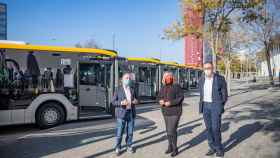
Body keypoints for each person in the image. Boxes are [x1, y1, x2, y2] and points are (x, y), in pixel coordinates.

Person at [198, 61, 228, 157]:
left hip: (215, 106)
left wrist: (220, 104)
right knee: (209, 128)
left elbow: (224, 94)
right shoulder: (201, 79)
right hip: (205, 106)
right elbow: (201, 94)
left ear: (212, 68)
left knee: (216, 128)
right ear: (203, 69)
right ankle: (212, 147)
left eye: (209, 68)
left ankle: (219, 148)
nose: (207, 70)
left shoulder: (219, 79)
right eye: (205, 68)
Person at [158, 72, 184, 157]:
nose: (167, 78)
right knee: (168, 131)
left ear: (172, 77)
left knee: (171, 130)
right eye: (165, 77)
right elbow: (158, 97)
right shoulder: (163, 87)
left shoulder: (177, 86)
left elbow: (181, 98)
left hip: (175, 112)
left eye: (168, 76)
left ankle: (175, 149)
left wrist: (171, 103)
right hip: (165, 112)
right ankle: (170, 146)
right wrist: (160, 100)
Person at [112, 72, 138, 156]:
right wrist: (121, 102)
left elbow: (137, 99)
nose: (128, 79)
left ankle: (129, 146)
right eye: (126, 78)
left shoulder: (132, 89)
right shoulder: (117, 89)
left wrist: (136, 101)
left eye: (129, 78)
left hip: (131, 113)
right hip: (121, 114)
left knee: (130, 132)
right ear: (122, 80)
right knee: (119, 133)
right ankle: (118, 147)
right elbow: (113, 102)